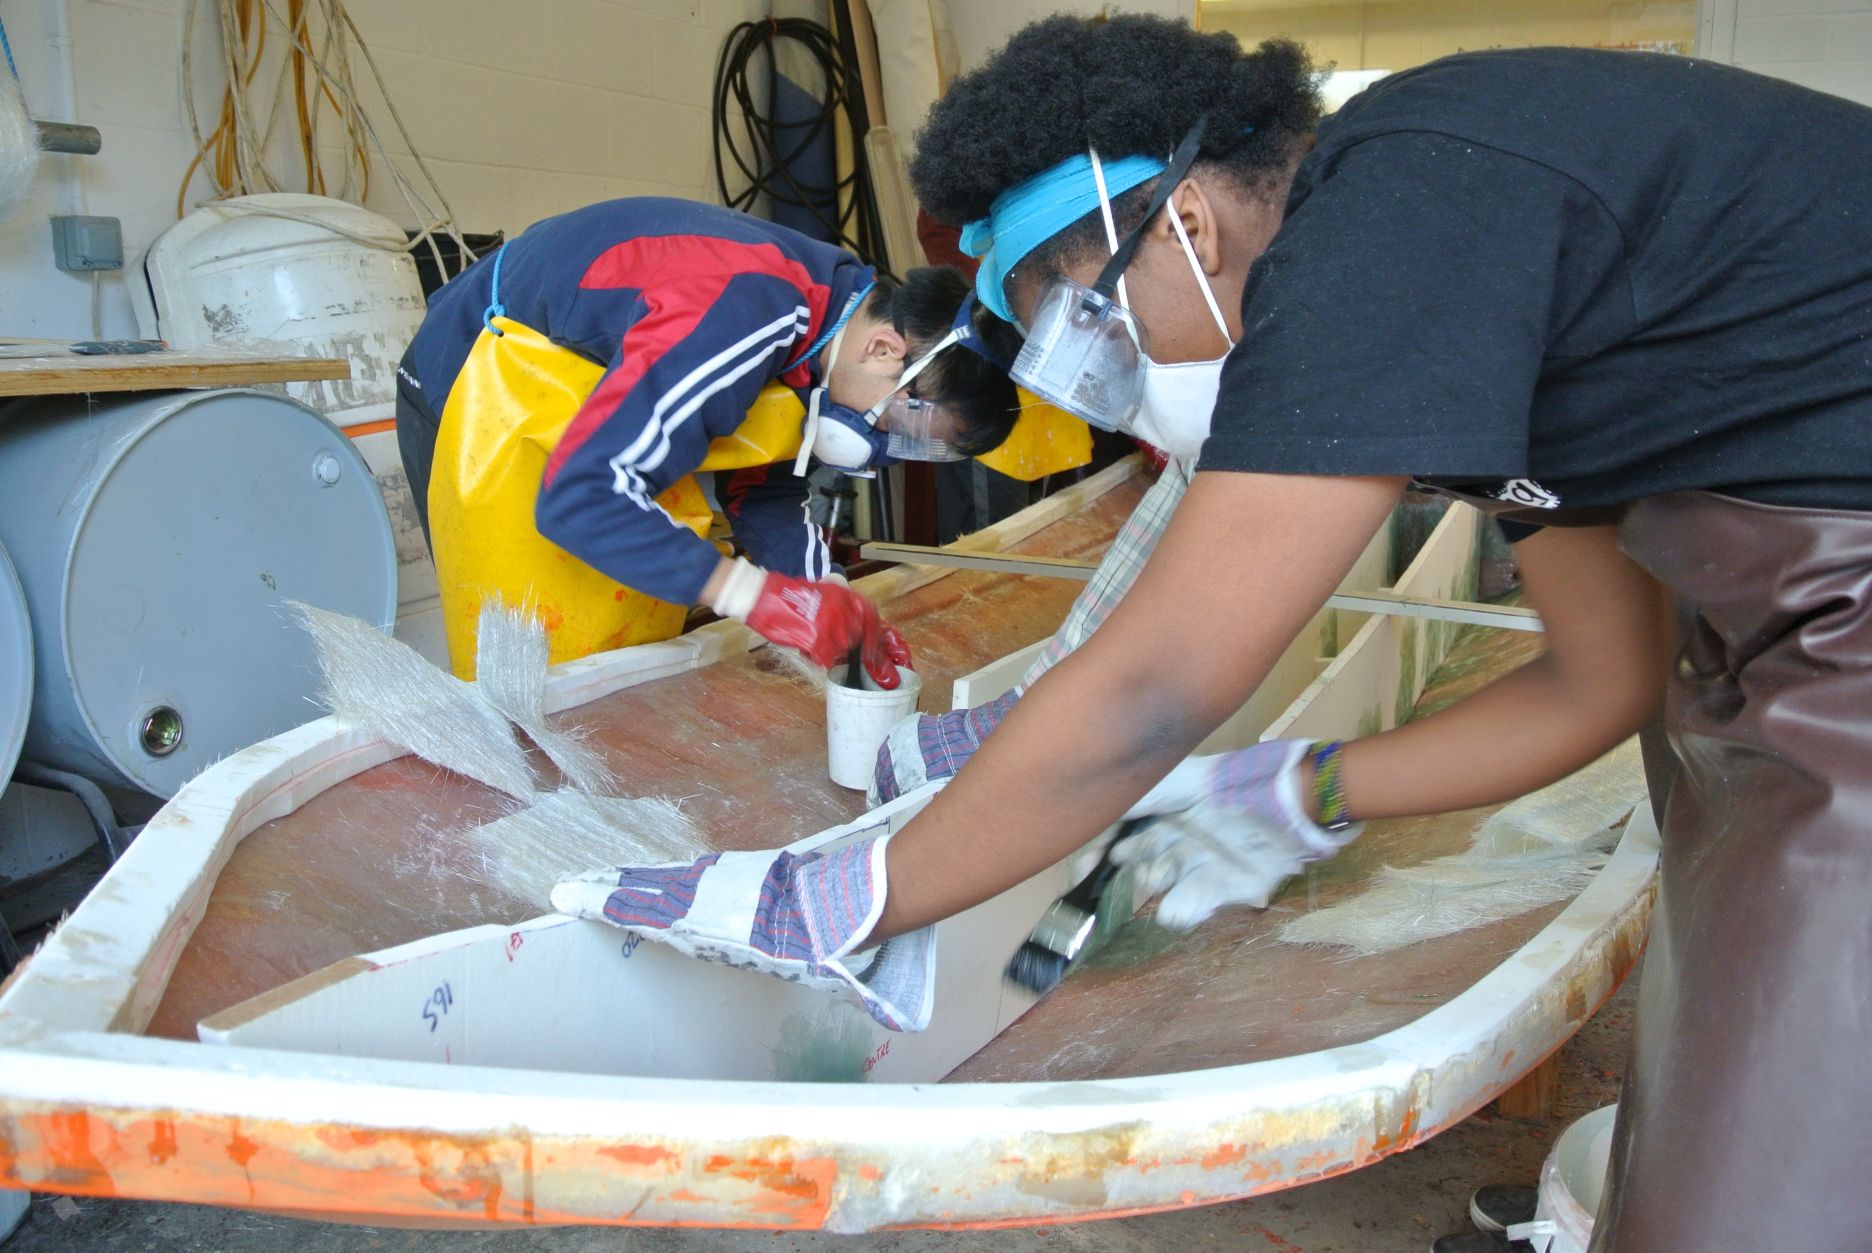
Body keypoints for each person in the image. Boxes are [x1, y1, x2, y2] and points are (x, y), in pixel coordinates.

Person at [549, 20, 1872, 1251]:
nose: (1104, 381)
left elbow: (1152, 691)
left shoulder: (1394, 220)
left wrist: (848, 894)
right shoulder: (1457, 284)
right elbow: (1604, 679)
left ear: (1183, 217)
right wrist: (1303, 785)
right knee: (1732, 1054)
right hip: (1765, 626)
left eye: (1093, 325)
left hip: (1838, 633)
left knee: (1779, 1185)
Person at [395, 196, 1022, 682]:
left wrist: (825, 596)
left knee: (617, 622)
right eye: (905, 430)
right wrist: (749, 594)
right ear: (885, 349)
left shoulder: (831, 316)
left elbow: (763, 484)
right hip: (470, 389)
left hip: (570, 414)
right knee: (521, 660)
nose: (884, 450)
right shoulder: (751, 311)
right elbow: (583, 498)